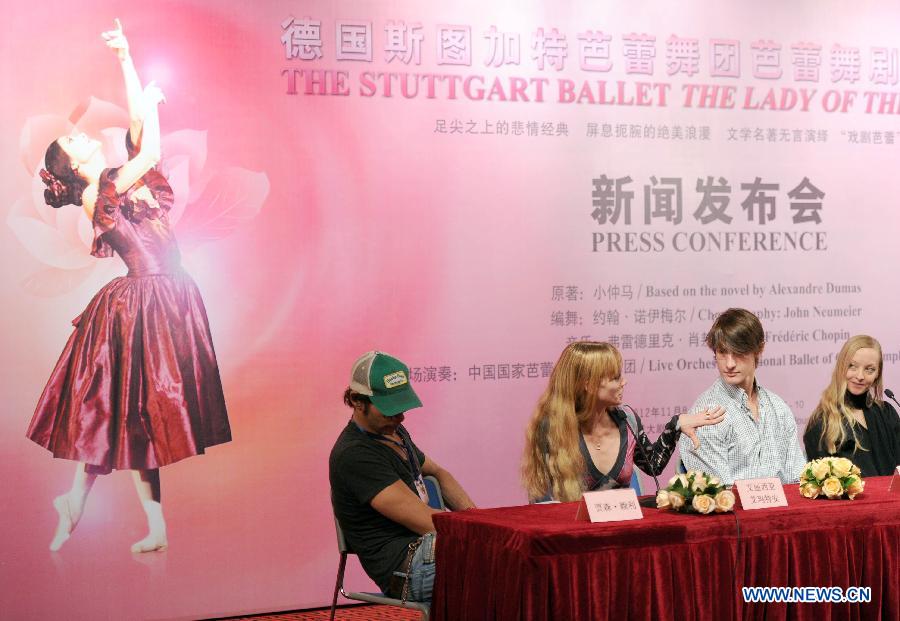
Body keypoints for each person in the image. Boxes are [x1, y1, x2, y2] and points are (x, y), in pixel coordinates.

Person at [26, 20, 231, 553]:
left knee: (139, 417)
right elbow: (149, 147)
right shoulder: (102, 195)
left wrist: (125, 57)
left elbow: (140, 130)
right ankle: (84, 502)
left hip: (168, 295)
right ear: (71, 166)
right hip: (142, 303)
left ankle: (120, 514)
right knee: (129, 411)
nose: (82, 135)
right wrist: (153, 108)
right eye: (72, 141)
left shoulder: (119, 178)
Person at [329, 351, 476, 603]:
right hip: (406, 569)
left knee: (511, 557)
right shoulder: (355, 455)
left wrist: (476, 518)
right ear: (357, 400)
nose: (400, 417)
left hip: (428, 547)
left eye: (401, 408)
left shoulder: (394, 432)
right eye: (389, 411)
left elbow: (439, 473)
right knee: (500, 560)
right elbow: (428, 522)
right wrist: (486, 534)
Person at [522, 341, 725, 503]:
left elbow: (653, 466)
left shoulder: (627, 420)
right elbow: (543, 502)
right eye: (616, 377)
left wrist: (676, 425)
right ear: (588, 385)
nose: (624, 382)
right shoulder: (551, 428)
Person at [679, 308, 806, 484]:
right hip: (734, 509)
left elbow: (797, 479)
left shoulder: (778, 407)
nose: (729, 364)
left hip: (783, 508)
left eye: (738, 352)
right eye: (722, 352)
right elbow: (717, 495)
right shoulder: (706, 415)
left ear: (759, 349)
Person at [803, 335, 900, 476]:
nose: (860, 376)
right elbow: (823, 486)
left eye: (869, 369)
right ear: (841, 367)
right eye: (852, 366)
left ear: (877, 374)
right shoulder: (822, 423)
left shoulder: (887, 413)